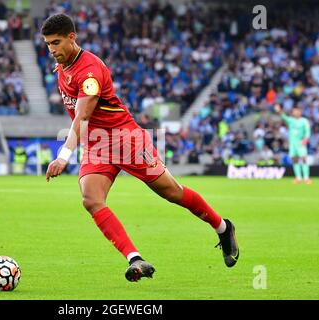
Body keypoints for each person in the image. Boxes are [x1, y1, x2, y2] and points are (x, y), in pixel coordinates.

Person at [42, 14, 239, 282]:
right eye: (47, 44)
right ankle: (135, 259)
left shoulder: (89, 71)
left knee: (172, 193)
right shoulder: (62, 66)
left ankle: (223, 227)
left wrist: (63, 155)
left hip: (126, 140)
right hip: (97, 145)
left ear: (71, 38)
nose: (52, 50)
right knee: (91, 199)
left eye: (56, 42)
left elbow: (83, 116)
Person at [274, 104, 311, 184]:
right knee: (295, 160)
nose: (295, 112)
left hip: (300, 143)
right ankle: (298, 178)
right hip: (293, 144)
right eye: (294, 111)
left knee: (304, 159)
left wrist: (305, 139)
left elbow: (307, 131)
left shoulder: (304, 121)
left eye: (296, 111)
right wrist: (279, 110)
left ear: (300, 112)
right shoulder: (291, 120)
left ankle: (306, 177)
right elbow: (283, 116)